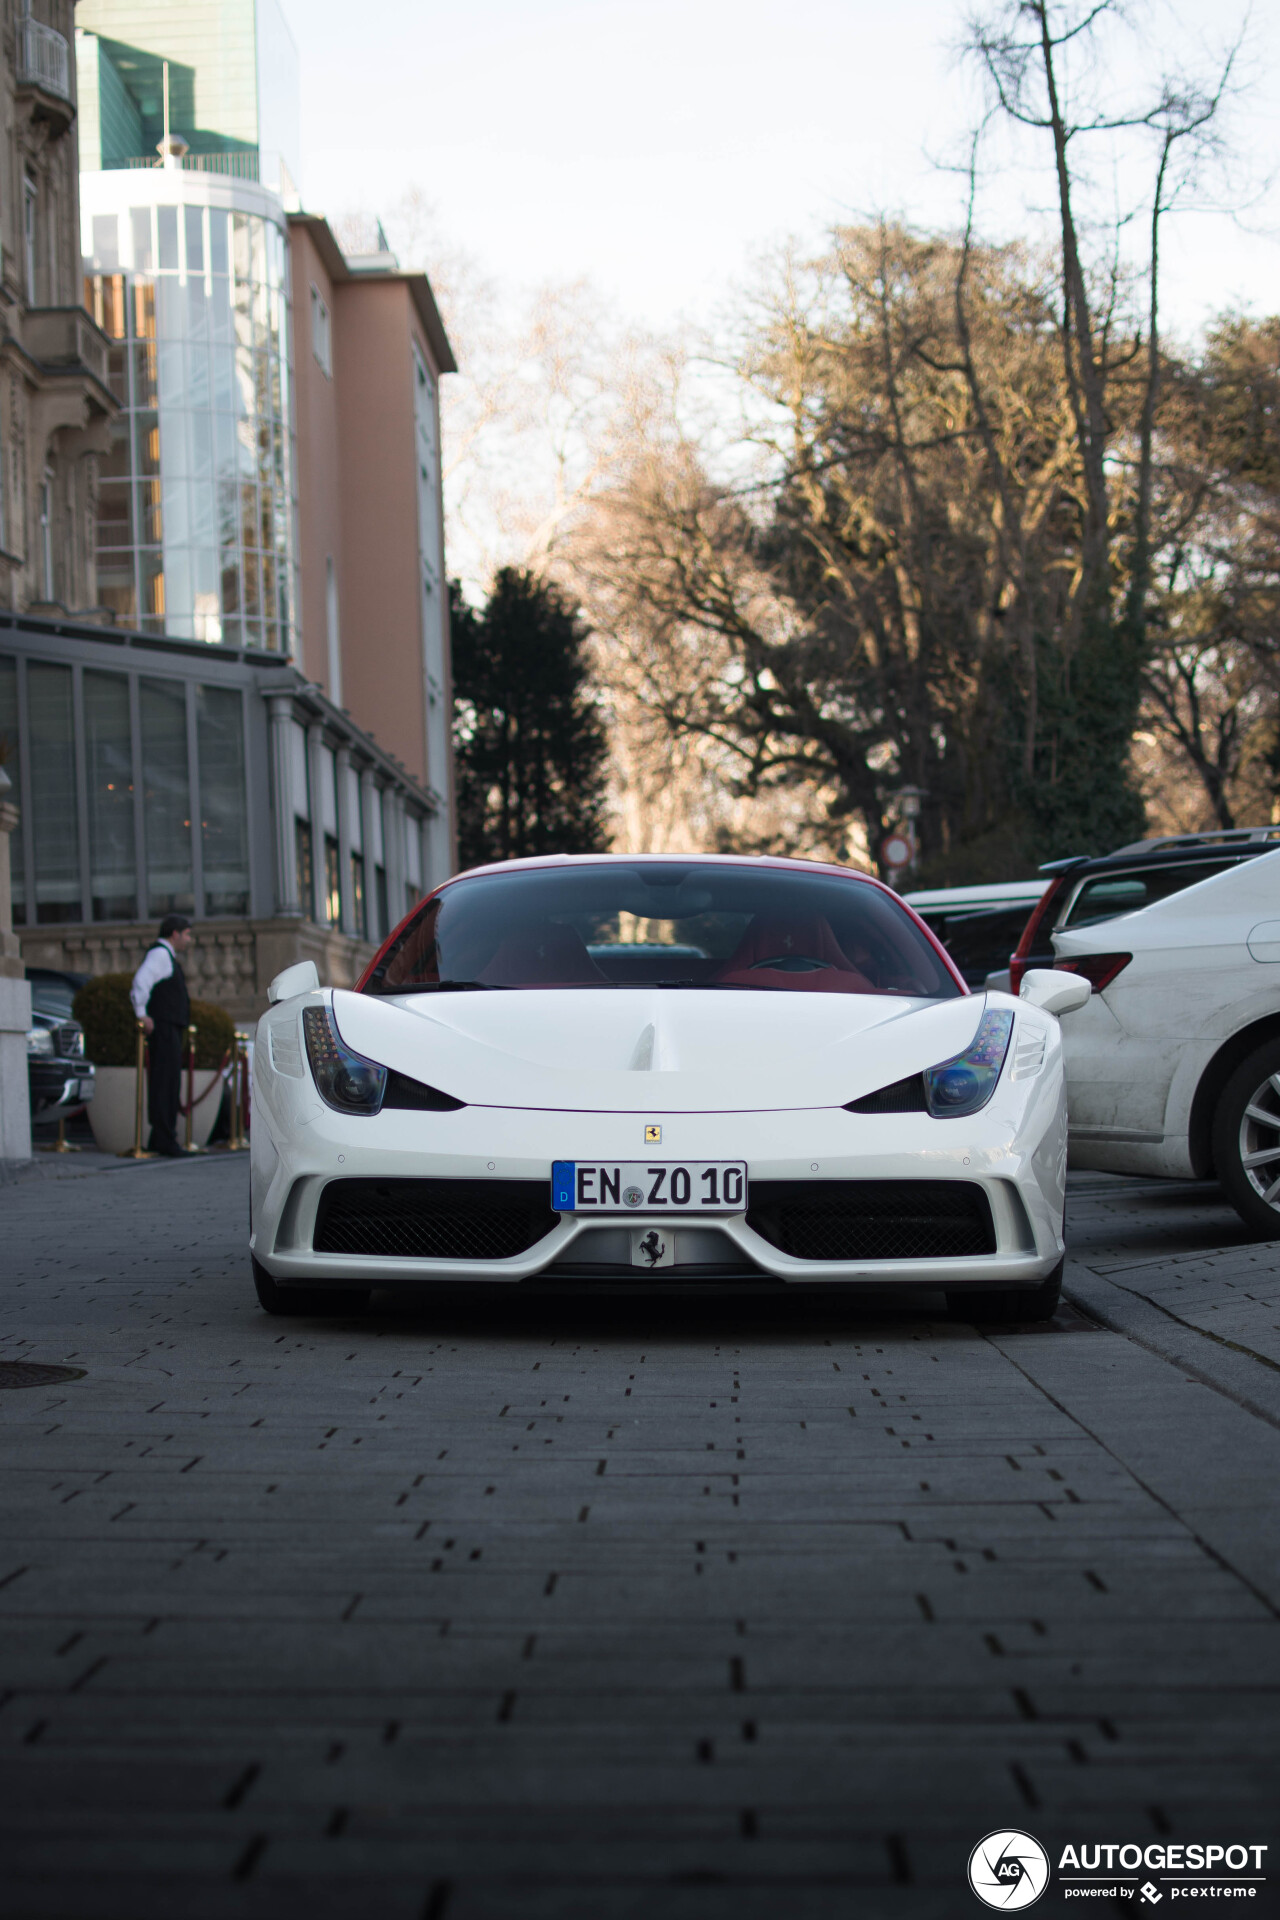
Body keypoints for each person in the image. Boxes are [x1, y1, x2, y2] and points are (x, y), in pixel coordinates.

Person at [130, 916, 193, 1158]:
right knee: (165, 1083)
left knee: (167, 1083)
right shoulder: (159, 955)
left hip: (169, 1028)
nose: (188, 940)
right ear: (174, 934)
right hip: (164, 1029)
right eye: (186, 934)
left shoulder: (165, 955)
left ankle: (161, 1137)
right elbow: (140, 983)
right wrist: (141, 1014)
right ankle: (165, 1139)